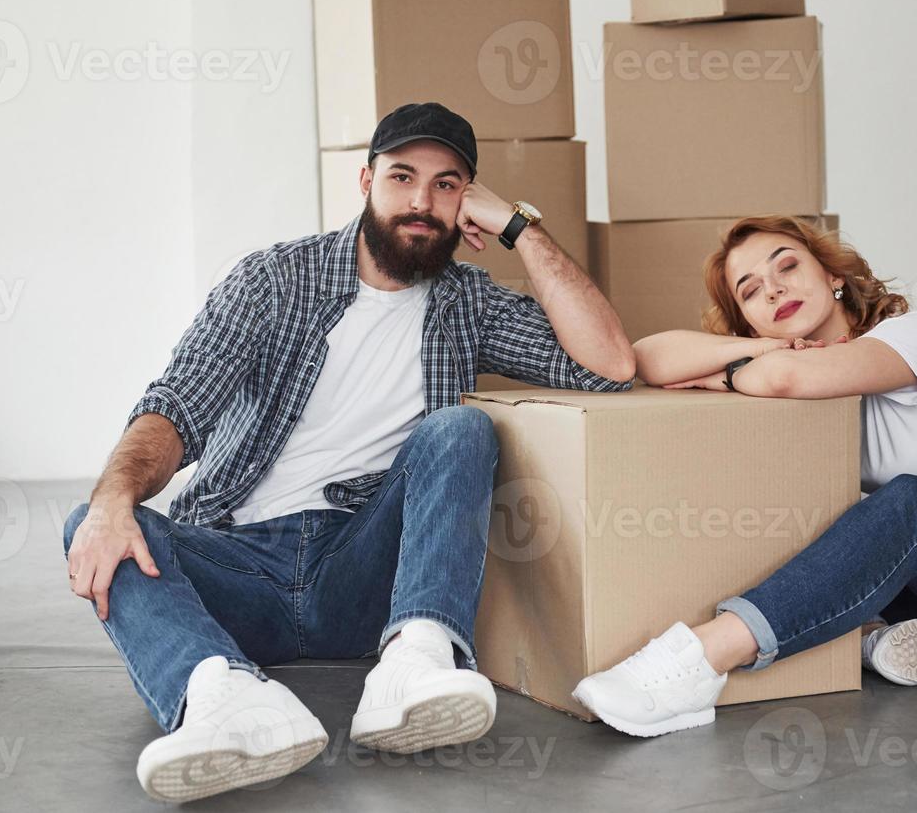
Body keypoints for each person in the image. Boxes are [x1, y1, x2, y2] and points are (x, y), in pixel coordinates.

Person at [62, 102, 635, 800]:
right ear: (365, 181)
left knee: (459, 430)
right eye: (402, 177)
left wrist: (520, 225)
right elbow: (177, 406)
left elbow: (608, 363)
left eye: (447, 185)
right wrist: (114, 501)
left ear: (467, 205)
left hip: (363, 572)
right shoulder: (273, 282)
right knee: (93, 518)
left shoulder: (469, 304)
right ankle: (225, 698)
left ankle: (415, 661)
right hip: (238, 567)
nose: (421, 201)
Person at [572, 215, 917, 738]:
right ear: (749, 322)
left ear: (833, 276)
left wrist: (737, 370)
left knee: (912, 503)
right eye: (751, 291)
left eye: (787, 267)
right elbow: (646, 358)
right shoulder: (798, 381)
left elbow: (782, 377)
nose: (775, 290)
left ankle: (702, 658)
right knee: (809, 511)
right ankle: (880, 641)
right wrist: (756, 350)